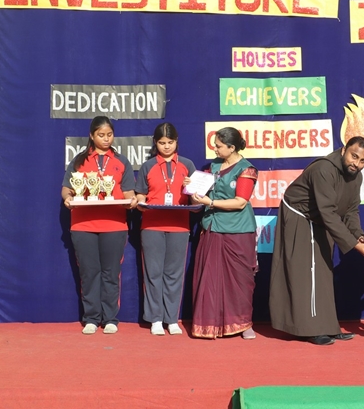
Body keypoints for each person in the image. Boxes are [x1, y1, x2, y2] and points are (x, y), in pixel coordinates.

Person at [269, 136, 364, 345]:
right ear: (344, 150)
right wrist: (355, 245)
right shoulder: (323, 169)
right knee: (307, 273)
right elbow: (328, 212)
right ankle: (311, 329)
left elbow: (351, 210)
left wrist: (358, 234)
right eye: (354, 156)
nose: (357, 163)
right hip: (301, 217)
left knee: (323, 274)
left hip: (321, 219)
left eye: (363, 160)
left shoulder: (356, 176)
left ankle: (328, 327)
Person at [61, 115, 137, 335]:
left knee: (111, 273)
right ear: (92, 136)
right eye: (101, 135)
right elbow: (66, 188)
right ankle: (92, 318)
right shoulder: (79, 161)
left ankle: (110, 318)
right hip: (83, 225)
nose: (106, 139)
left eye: (109, 135)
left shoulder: (122, 161)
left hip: (114, 225)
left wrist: (132, 200)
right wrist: (67, 198)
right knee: (89, 273)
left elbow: (128, 192)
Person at [189, 127, 259, 339]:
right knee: (210, 279)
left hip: (237, 231)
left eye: (219, 146)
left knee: (239, 281)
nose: (215, 149)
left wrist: (210, 202)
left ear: (232, 147)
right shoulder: (213, 167)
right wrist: (191, 189)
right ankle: (211, 324)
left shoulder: (247, 169)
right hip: (212, 227)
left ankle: (243, 324)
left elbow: (240, 202)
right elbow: (197, 197)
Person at [134, 123, 196, 336]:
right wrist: (141, 202)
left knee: (174, 274)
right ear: (155, 143)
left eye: (170, 142)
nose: (166, 146)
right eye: (162, 143)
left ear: (176, 142)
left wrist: (191, 187)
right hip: (152, 225)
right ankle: (156, 319)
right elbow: (140, 194)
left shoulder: (187, 165)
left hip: (179, 226)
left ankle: (172, 319)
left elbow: (196, 198)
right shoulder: (148, 165)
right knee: (153, 273)